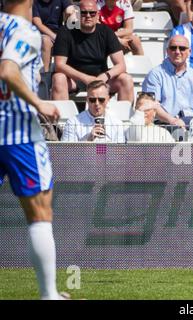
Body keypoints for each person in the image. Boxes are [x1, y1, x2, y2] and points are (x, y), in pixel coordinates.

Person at [0, 0, 66, 300]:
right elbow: (8, 70)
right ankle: (48, 295)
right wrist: (39, 103)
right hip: (18, 133)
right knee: (40, 212)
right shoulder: (25, 31)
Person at [51, 0, 134, 103]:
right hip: (74, 79)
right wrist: (86, 78)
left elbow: (121, 65)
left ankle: (124, 118)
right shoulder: (65, 31)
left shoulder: (106, 32)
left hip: (101, 78)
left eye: (92, 13)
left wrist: (104, 77)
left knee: (126, 79)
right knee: (58, 78)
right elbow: (59, 65)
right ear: (77, 14)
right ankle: (61, 118)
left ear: (98, 15)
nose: (88, 16)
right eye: (84, 12)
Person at [142, 35, 193, 127]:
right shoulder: (155, 74)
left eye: (182, 48)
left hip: (192, 124)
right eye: (173, 48)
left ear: (189, 52)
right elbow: (151, 105)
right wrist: (172, 120)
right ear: (167, 51)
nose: (177, 52)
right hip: (164, 125)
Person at [61, 80, 125, 142]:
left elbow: (120, 151)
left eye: (101, 100)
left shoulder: (117, 123)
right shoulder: (73, 123)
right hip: (84, 153)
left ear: (108, 99)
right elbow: (67, 152)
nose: (97, 103)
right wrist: (87, 140)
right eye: (92, 100)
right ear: (87, 100)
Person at [32, 0, 77, 72]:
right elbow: (38, 24)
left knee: (74, 16)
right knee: (45, 41)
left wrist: (71, 13)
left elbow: (71, 9)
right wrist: (56, 38)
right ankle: (45, 74)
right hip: (40, 33)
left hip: (59, 33)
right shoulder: (34, 2)